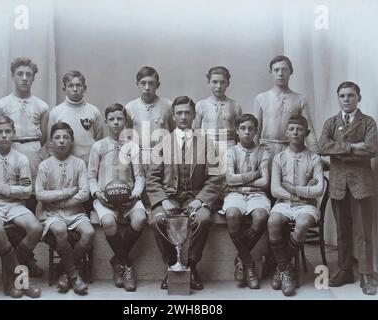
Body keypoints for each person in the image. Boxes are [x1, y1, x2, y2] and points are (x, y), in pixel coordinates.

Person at [146, 96, 222, 291]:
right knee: (158, 220)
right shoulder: (162, 143)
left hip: (194, 198)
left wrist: (200, 200)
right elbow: (152, 179)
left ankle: (192, 267)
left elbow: (215, 177)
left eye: (187, 112)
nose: (183, 117)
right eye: (179, 113)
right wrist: (163, 200)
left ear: (194, 115)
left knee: (203, 219)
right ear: (173, 116)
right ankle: (172, 266)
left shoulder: (206, 143)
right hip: (169, 198)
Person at [318, 81, 378, 295]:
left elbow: (371, 149)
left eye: (350, 95)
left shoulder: (368, 122)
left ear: (358, 98)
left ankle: (365, 274)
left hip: (361, 185)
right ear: (338, 98)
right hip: (338, 184)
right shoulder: (331, 122)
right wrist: (353, 147)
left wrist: (339, 150)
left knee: (363, 231)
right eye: (342, 95)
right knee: (342, 230)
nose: (346, 99)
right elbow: (322, 146)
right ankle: (345, 270)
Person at [0, 116, 42, 298]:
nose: (4, 136)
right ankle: (20, 278)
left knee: (36, 228)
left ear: (13, 134)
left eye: (8, 131)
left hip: (14, 206)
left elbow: (27, 191)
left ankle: (10, 275)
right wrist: (13, 191)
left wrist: (0, 188)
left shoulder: (21, 158)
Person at [88, 103, 146, 292]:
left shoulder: (132, 147)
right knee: (108, 221)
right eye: (111, 119)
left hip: (129, 197)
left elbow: (139, 176)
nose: (115, 122)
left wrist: (136, 194)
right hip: (105, 197)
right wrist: (98, 193)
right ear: (105, 122)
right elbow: (91, 176)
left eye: (119, 119)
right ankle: (126, 265)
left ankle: (117, 260)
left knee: (140, 219)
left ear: (125, 121)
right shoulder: (98, 146)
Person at [268, 115, 324, 296]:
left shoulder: (314, 158)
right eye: (291, 129)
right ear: (286, 132)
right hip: (284, 203)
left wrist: (294, 189)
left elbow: (319, 189)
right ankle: (286, 270)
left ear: (306, 133)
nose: (295, 133)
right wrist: (296, 194)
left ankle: (281, 269)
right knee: (273, 222)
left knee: (302, 224)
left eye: (299, 129)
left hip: (306, 205)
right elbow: (275, 189)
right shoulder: (279, 158)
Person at [36, 122, 94, 295]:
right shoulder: (45, 165)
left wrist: (60, 201)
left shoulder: (79, 164)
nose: (61, 141)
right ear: (51, 142)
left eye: (66, 137)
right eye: (57, 137)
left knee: (89, 232)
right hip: (52, 213)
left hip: (75, 212)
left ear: (72, 140)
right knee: (59, 229)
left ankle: (64, 272)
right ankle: (74, 276)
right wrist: (65, 193)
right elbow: (40, 194)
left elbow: (84, 193)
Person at [0, 57, 49, 215]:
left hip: (33, 150)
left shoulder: (42, 106)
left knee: (31, 191)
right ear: (13, 76)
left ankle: (29, 229)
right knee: (11, 190)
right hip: (10, 150)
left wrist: (31, 147)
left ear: (33, 78)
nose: (24, 78)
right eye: (20, 74)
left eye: (28, 74)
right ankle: (14, 234)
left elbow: (44, 136)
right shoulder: (1, 105)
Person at [222, 114, 270, 289]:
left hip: (256, 195)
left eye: (251, 128)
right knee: (232, 214)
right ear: (236, 131)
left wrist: (241, 182)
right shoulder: (231, 151)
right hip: (235, 194)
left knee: (260, 216)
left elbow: (265, 182)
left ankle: (241, 258)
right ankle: (248, 264)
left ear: (256, 131)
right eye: (243, 128)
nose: (247, 132)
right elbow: (229, 179)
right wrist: (254, 175)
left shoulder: (263, 152)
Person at [254, 56, 319, 165]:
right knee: (266, 181)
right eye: (276, 70)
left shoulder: (300, 99)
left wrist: (316, 155)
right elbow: (256, 129)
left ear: (290, 72)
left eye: (284, 69)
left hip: (291, 150)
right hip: (265, 150)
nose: (280, 73)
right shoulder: (261, 98)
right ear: (271, 72)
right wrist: (254, 155)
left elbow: (309, 130)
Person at [125, 66, 175, 171]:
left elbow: (173, 132)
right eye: (143, 83)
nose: (147, 87)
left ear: (158, 85)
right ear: (137, 84)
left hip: (162, 157)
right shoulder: (130, 107)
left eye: (151, 83)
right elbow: (127, 136)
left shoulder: (168, 105)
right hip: (138, 158)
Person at [48, 70, 103, 164]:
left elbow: (99, 141)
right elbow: (51, 144)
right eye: (70, 86)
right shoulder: (56, 112)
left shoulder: (94, 111)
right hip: (65, 164)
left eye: (78, 85)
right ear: (64, 89)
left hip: (89, 163)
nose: (75, 89)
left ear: (84, 88)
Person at [193, 66, 242, 149]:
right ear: (208, 82)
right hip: (207, 148)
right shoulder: (201, 105)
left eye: (222, 82)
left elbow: (240, 132)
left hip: (229, 147)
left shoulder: (235, 105)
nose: (219, 86)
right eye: (214, 82)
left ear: (228, 83)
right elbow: (195, 130)